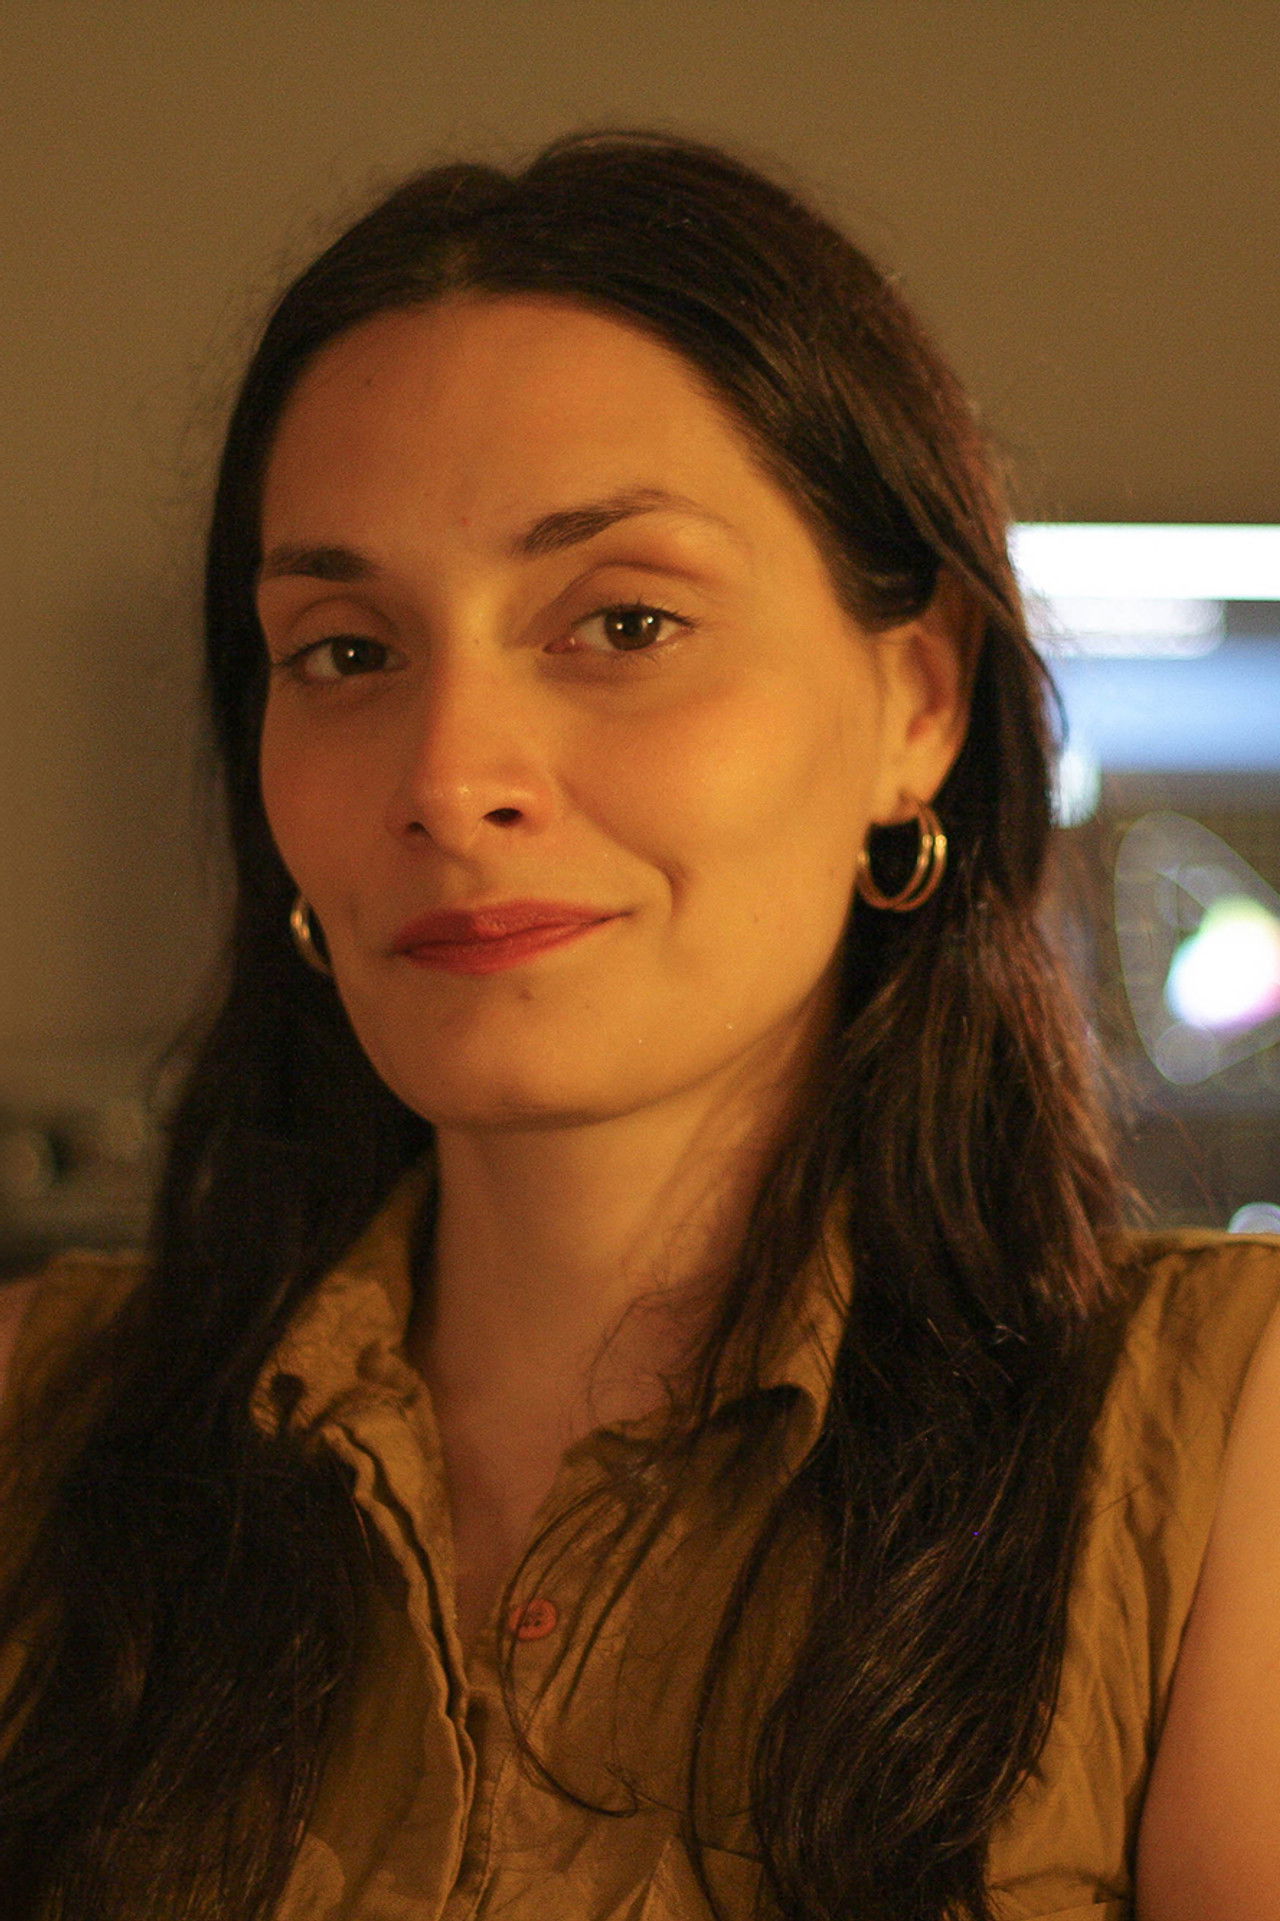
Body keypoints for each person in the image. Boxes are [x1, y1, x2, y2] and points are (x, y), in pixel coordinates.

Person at [0, 131, 1277, 1921]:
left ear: (917, 701)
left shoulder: (1216, 1447)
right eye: (346, 651)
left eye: (622, 620)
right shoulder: (42, 1417)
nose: (449, 776)